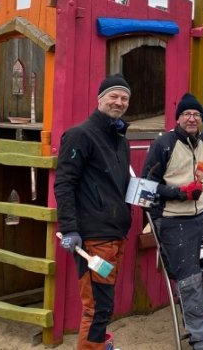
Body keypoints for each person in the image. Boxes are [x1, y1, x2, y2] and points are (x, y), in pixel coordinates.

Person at [142, 93, 203, 350]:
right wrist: (179, 192)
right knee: (186, 280)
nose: (192, 118)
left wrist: (200, 192)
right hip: (174, 219)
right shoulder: (164, 144)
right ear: (178, 118)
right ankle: (201, 339)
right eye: (187, 114)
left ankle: (202, 277)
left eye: (196, 115)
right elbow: (145, 186)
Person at [54, 74, 133, 350]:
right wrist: (70, 228)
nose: (119, 102)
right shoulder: (80, 135)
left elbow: (120, 184)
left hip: (116, 235)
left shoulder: (120, 139)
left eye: (124, 98)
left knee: (104, 303)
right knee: (96, 308)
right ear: (100, 99)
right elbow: (64, 183)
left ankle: (101, 345)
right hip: (94, 238)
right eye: (113, 96)